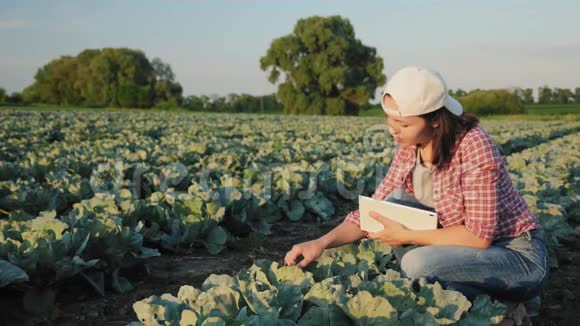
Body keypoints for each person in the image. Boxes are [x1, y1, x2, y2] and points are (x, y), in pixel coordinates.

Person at [284, 66, 549, 325]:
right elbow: (373, 210)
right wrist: (320, 242)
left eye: (402, 123)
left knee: (416, 263)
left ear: (435, 119)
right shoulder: (411, 146)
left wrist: (406, 236)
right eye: (389, 121)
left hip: (515, 256)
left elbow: (479, 236)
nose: (393, 130)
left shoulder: (473, 144)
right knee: (395, 201)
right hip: (463, 250)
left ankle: (505, 307)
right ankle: (480, 302)